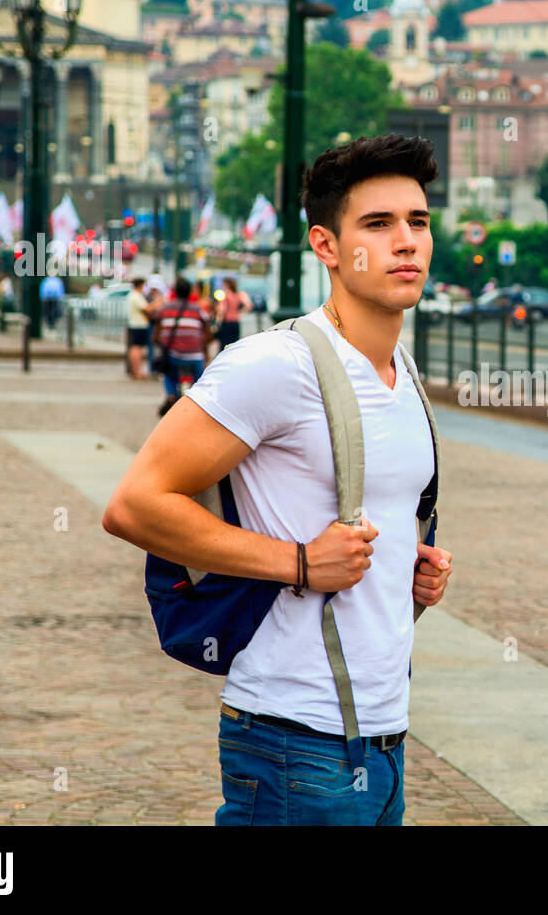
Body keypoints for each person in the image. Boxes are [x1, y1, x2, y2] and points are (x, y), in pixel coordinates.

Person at [101, 134, 452, 826]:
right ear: (326, 246)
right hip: (294, 744)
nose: (406, 241)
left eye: (418, 221)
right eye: (377, 225)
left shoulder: (404, 374)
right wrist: (296, 562)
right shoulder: (275, 367)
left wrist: (413, 575)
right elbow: (133, 504)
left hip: (385, 736)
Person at [153, 276, 214, 416]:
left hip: (173, 354)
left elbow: (156, 333)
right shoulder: (197, 309)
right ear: (190, 292)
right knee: (199, 379)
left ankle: (171, 395)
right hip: (194, 355)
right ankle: (198, 401)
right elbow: (209, 332)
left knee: (169, 375)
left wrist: (162, 344)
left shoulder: (166, 307)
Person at [214, 276, 254, 357]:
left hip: (226, 323)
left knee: (224, 347)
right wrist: (239, 312)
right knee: (234, 345)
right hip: (235, 322)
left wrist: (217, 322)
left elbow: (222, 310)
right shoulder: (239, 295)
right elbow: (249, 305)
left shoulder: (225, 295)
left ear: (227, 285)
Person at [126, 276, 152, 380]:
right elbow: (147, 308)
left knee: (135, 348)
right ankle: (137, 371)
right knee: (137, 348)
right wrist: (158, 302)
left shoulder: (132, 295)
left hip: (134, 324)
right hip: (138, 325)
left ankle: (135, 371)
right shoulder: (136, 296)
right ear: (140, 285)